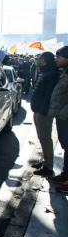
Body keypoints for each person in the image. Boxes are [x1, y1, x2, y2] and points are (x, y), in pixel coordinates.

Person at [30, 52, 60, 177]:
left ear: (46, 61)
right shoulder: (45, 71)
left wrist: (42, 109)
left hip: (44, 111)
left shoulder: (52, 74)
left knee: (45, 138)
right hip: (39, 109)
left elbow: (49, 95)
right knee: (42, 138)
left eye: (41, 59)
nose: (38, 61)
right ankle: (45, 161)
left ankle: (48, 167)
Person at [48, 46, 68, 192]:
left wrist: (63, 112)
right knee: (66, 147)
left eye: (58, 57)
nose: (56, 59)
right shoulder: (64, 72)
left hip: (65, 116)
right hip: (62, 117)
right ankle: (65, 174)